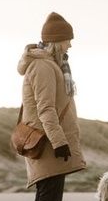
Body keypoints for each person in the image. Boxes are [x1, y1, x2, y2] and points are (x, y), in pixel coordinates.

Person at [17, 12, 86, 201]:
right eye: (67, 40)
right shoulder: (43, 66)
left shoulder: (53, 65)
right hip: (47, 143)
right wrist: (59, 142)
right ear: (57, 41)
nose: (70, 45)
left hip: (50, 141)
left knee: (50, 196)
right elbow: (45, 108)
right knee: (49, 196)